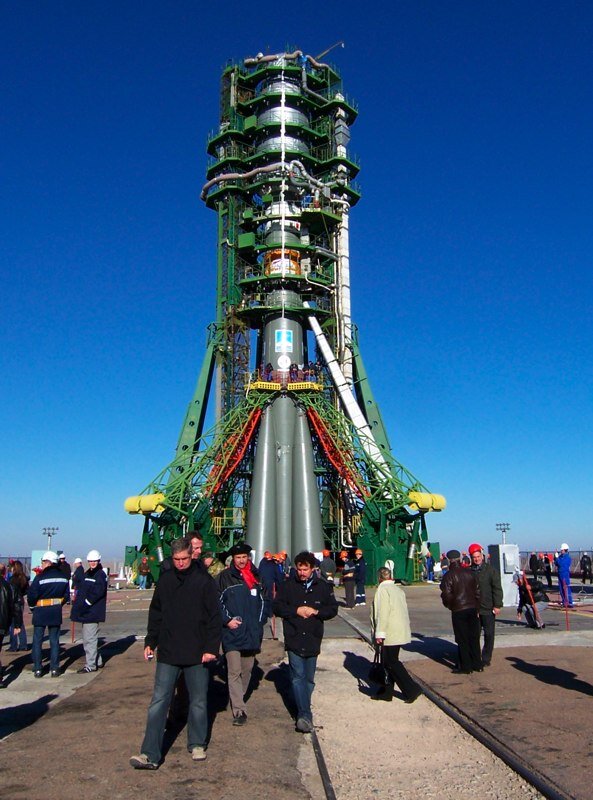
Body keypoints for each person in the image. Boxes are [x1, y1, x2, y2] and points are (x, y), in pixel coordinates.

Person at [130, 537, 221, 770]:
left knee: (198, 701)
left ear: (192, 555)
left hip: (197, 653)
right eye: (177, 559)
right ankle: (149, 753)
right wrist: (150, 641)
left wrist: (211, 649)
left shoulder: (204, 582)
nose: (180, 563)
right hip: (169, 652)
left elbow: (214, 618)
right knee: (159, 701)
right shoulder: (166, 581)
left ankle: (197, 743)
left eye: (184, 559)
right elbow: (156, 613)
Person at [273, 551, 338, 732]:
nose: (302, 573)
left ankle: (303, 708)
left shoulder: (323, 587)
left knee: (308, 680)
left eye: (305, 569)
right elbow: (277, 606)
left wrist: (317, 612)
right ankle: (304, 714)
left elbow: (332, 609)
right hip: (293, 637)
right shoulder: (287, 586)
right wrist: (296, 610)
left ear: (313, 569)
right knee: (297, 678)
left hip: (312, 638)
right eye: (299, 569)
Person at [216, 543, 268, 726]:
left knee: (247, 670)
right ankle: (239, 709)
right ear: (233, 559)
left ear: (248, 558)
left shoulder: (256, 577)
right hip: (232, 633)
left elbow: (265, 600)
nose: (241, 560)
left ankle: (238, 697)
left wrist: (260, 621)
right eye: (238, 557)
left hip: (252, 632)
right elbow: (217, 602)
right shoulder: (224, 578)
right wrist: (227, 621)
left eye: (244, 557)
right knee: (234, 671)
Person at [370, 567, 422, 703]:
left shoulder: (382, 590)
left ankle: (411, 689)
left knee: (391, 662)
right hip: (399, 630)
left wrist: (379, 633)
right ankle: (386, 692)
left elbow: (382, 613)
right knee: (388, 662)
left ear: (379, 577)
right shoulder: (398, 590)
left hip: (389, 632)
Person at [27, 551, 70, 677]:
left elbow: (32, 595)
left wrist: (32, 607)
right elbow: (66, 596)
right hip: (55, 611)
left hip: (40, 611)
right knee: (54, 640)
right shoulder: (63, 577)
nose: (42, 564)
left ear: (48, 562)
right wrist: (57, 604)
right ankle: (55, 668)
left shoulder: (40, 578)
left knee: (37, 641)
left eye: (43, 562)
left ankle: (38, 668)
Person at [440, 549, 482, 674]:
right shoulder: (469, 572)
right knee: (474, 637)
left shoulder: (449, 575)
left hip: (459, 610)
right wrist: (477, 607)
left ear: (449, 560)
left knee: (462, 638)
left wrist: (451, 605)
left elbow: (446, 594)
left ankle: (466, 666)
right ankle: (477, 664)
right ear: (459, 558)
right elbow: (478, 591)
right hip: (472, 608)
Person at [71, 549, 108, 673]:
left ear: (98, 561)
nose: (92, 563)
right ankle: (98, 661)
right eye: (90, 561)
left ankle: (91, 665)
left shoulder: (100, 575)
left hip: (92, 612)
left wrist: (87, 603)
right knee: (88, 639)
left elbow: (98, 592)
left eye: (94, 561)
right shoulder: (89, 574)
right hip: (87, 612)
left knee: (90, 640)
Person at [469, 543, 503, 667]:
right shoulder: (469, 572)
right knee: (474, 635)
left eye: (478, 556)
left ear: (482, 556)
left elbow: (497, 588)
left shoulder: (490, 571)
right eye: (474, 557)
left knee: (489, 634)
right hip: (474, 610)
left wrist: (497, 605)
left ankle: (486, 658)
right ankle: (475, 657)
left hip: (488, 608)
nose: (476, 559)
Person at [0, 565, 22, 682]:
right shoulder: (9, 586)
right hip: (3, 623)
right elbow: (16, 606)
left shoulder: (9, 586)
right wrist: (17, 624)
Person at [8, 560, 29, 652]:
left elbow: (11, 592)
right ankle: (23, 644)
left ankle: (13, 645)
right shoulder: (23, 578)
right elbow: (26, 590)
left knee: (12, 623)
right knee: (20, 622)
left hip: (14, 602)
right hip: (21, 601)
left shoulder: (13, 579)